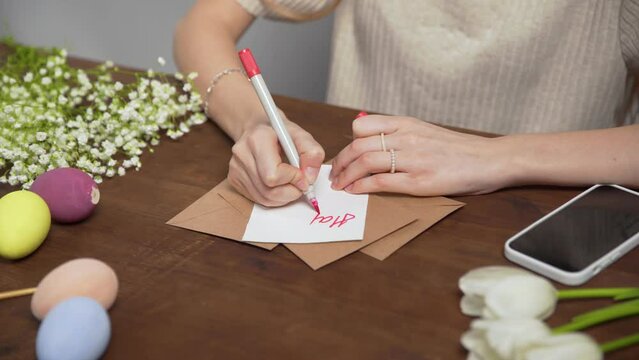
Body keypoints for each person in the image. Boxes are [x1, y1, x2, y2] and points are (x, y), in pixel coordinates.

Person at [174, 0, 639, 207]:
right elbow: (203, 23)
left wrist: (495, 155)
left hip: (551, 212)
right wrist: (256, 120)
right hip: (361, 197)